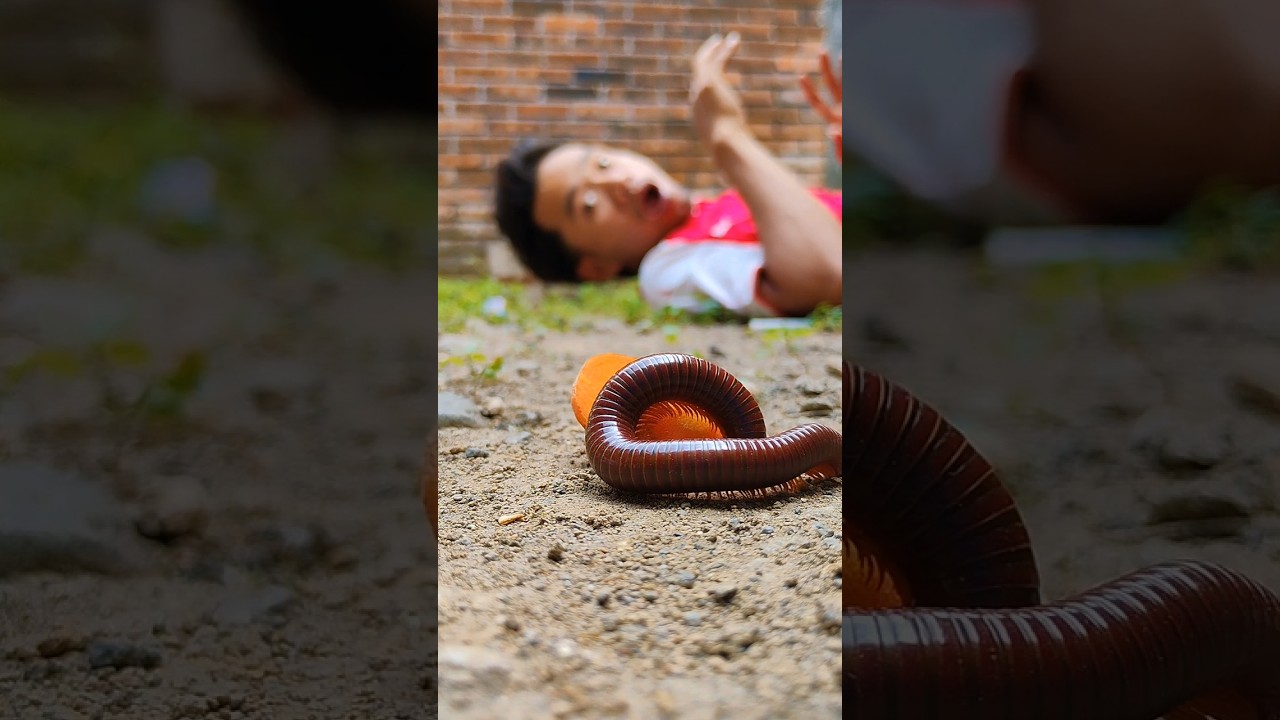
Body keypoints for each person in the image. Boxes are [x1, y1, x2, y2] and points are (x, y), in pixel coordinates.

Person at [494, 33, 844, 318]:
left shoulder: (723, 208)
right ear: (597, 267)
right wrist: (726, 136)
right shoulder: (667, 269)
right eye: (588, 204)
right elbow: (828, 274)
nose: (615, 182)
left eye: (602, 163)